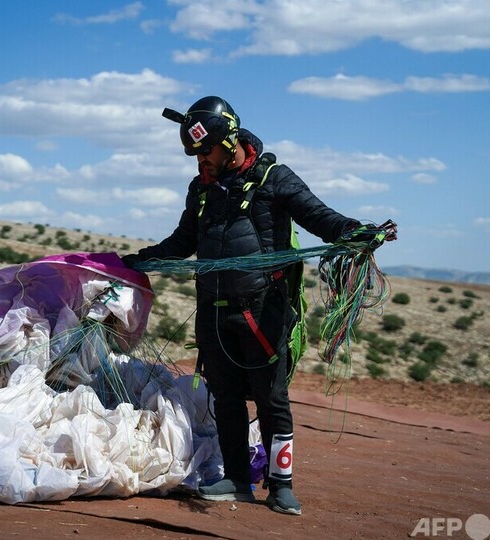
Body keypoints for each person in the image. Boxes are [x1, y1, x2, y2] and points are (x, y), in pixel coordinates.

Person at [122, 96, 392, 515]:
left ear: (229, 141)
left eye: (207, 151)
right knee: (225, 397)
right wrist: (139, 259)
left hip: (263, 311)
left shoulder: (273, 178)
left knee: (271, 398)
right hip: (214, 310)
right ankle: (236, 480)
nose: (201, 161)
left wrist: (354, 231)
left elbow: (318, 215)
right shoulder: (201, 189)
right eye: (195, 155)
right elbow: (184, 240)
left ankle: (281, 486)